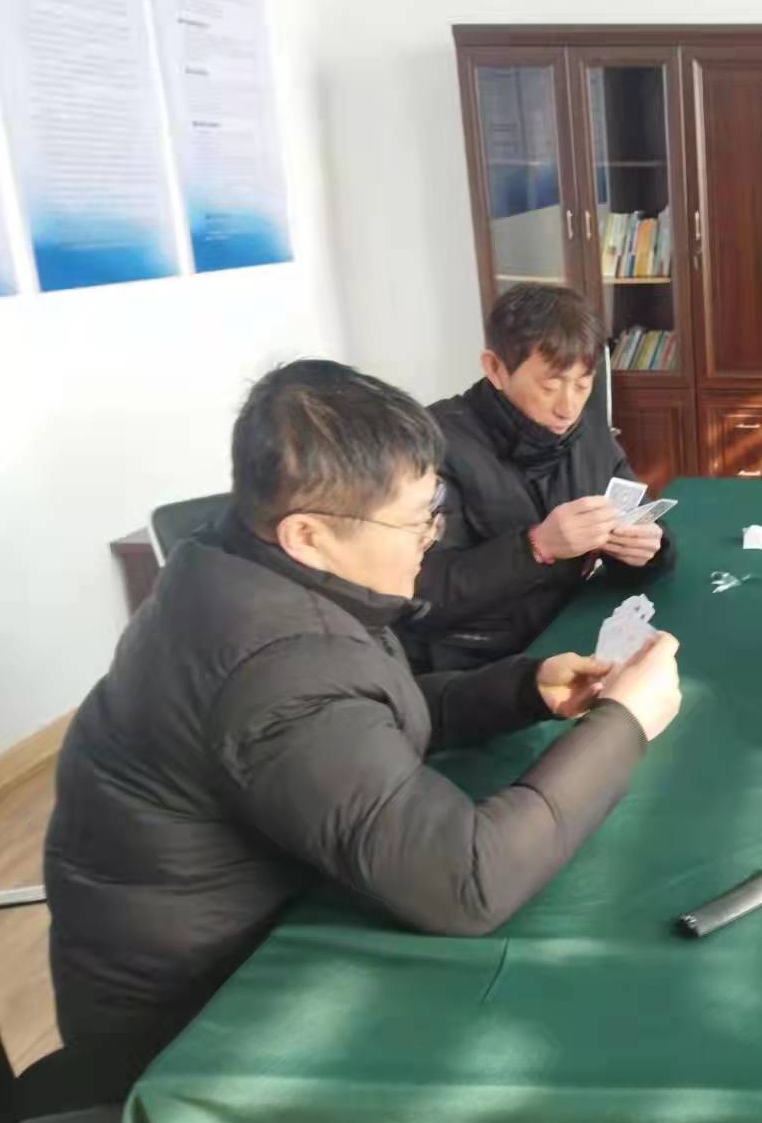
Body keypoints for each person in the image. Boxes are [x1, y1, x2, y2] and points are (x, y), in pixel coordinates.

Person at [44, 360, 682, 1085]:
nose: (433, 537)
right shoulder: (277, 666)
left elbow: (373, 710)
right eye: (416, 520)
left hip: (249, 929)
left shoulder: (241, 563)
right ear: (307, 533)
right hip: (196, 1038)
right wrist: (625, 721)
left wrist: (523, 689)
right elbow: (468, 879)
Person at [405, 282, 675, 671]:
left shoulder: (587, 431)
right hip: (476, 665)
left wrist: (649, 550)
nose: (569, 407)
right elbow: (419, 594)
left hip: (569, 633)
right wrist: (536, 547)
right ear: (495, 368)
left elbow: (645, 516)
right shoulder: (430, 447)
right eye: (550, 386)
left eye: (583, 385)